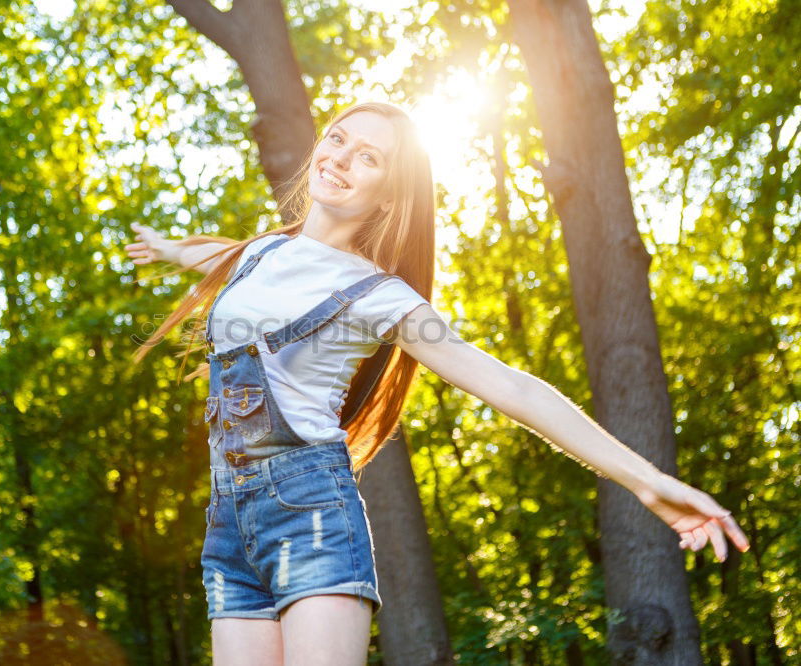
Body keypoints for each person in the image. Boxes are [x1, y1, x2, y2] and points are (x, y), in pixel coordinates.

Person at [123, 101, 750, 666]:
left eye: (368, 157)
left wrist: (649, 481)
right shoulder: (261, 253)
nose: (341, 158)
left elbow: (512, 386)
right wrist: (168, 246)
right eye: (338, 140)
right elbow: (218, 256)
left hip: (309, 514)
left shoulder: (378, 296)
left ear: (389, 196)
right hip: (229, 524)